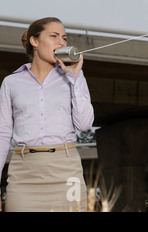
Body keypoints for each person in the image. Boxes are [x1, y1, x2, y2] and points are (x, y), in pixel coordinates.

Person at [0, 17, 94, 211]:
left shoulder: (73, 77)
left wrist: (76, 77)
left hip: (66, 172)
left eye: (64, 38)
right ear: (35, 41)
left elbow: (84, 124)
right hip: (23, 175)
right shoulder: (11, 83)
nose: (61, 42)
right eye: (54, 36)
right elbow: (2, 135)